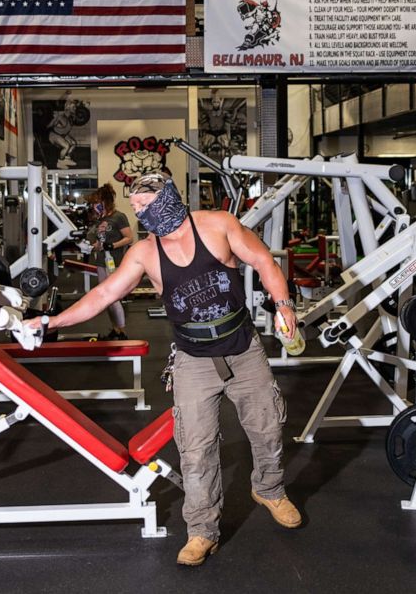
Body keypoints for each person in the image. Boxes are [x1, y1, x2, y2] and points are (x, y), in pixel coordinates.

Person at [25, 172, 301, 566]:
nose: (138, 214)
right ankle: (202, 531)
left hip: (243, 348)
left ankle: (270, 489)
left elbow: (261, 260)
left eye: (143, 206)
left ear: (166, 197)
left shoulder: (217, 225)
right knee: (195, 449)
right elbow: (104, 294)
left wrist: (284, 304)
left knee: (268, 426)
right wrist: (50, 322)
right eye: (135, 208)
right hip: (193, 358)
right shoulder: (144, 252)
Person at [84, 184, 133, 340]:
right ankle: (116, 329)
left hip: (115, 262)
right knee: (106, 299)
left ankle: (123, 332)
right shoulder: (100, 220)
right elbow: (99, 243)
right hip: (101, 262)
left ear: (106, 201)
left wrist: (112, 245)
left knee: (113, 297)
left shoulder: (119, 217)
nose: (94, 205)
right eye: (94, 203)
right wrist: (91, 247)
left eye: (97, 202)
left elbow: (129, 238)